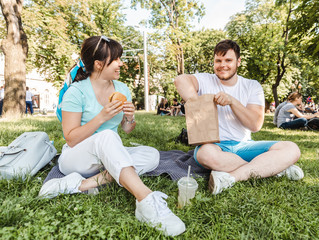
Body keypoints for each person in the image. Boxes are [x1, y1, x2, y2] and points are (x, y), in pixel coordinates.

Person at [38, 36, 185, 236]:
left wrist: (129, 118)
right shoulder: (76, 92)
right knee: (107, 136)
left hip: (108, 157)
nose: (121, 64)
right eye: (115, 60)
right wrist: (101, 117)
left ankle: (85, 184)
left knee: (152, 155)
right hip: (77, 157)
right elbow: (71, 138)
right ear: (99, 64)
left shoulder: (122, 89)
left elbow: (126, 130)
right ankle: (145, 200)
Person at [174, 39, 304, 195]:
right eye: (218, 60)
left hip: (243, 146)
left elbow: (255, 125)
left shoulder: (252, 85)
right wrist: (198, 104)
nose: (223, 65)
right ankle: (272, 169)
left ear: (238, 62)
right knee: (204, 154)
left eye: (228, 60)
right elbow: (180, 80)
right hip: (215, 146)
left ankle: (232, 177)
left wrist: (232, 102)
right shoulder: (204, 80)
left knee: (291, 149)